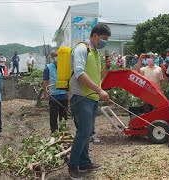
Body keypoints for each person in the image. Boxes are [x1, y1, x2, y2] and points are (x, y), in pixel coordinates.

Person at [68, 24, 112, 179]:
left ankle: (85, 162)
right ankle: (73, 166)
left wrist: (106, 68)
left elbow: (96, 77)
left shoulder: (95, 52)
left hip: (91, 98)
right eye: (104, 39)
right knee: (83, 132)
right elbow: (79, 73)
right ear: (95, 35)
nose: (104, 42)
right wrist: (99, 90)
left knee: (88, 132)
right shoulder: (82, 49)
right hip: (82, 97)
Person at [42, 51, 68, 133]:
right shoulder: (48, 67)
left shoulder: (65, 67)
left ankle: (63, 132)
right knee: (53, 116)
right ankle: (54, 133)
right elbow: (45, 81)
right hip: (53, 96)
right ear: (53, 57)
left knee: (63, 116)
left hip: (64, 95)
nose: (57, 58)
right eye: (55, 56)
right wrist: (46, 93)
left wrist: (69, 93)